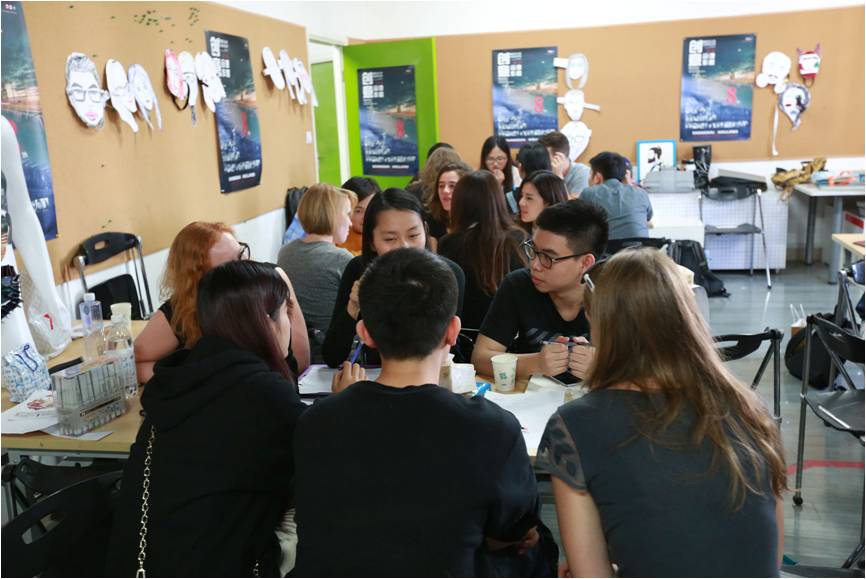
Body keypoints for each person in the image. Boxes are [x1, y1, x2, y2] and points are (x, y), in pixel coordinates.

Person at [294, 248, 551, 577]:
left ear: (365, 332)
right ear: (453, 331)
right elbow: (516, 530)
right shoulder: (493, 428)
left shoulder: (316, 421)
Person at [536, 248, 786, 577]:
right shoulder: (751, 409)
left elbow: (590, 574)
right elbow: (770, 558)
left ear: (602, 328)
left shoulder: (573, 426)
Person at [107, 261, 308, 577]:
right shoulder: (264, 393)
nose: (290, 323)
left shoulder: (179, 377)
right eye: (286, 312)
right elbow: (318, 463)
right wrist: (346, 405)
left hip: (141, 565)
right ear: (265, 322)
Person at [134, 221, 310, 383]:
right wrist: (192, 379)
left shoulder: (274, 282)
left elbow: (301, 362)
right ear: (205, 284)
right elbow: (134, 362)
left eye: (241, 253)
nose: (246, 264)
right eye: (233, 267)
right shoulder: (186, 308)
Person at [322, 188, 465, 368]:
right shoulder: (358, 270)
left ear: (425, 230)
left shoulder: (448, 274)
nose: (404, 247)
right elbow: (332, 356)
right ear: (371, 242)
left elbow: (452, 350)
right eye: (390, 239)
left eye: (413, 235)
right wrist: (352, 308)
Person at [472, 199, 608, 381]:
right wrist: (536, 363)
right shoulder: (519, 285)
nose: (534, 265)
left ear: (585, 263)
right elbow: (480, 358)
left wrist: (602, 369)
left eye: (548, 257)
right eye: (533, 250)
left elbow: (643, 370)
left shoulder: (615, 295)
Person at [438, 170, 527, 353]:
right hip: (509, 342)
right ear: (497, 200)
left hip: (460, 341)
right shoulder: (518, 238)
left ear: (460, 203)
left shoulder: (450, 243)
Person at [277, 183, 356, 360]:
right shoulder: (341, 259)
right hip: (336, 353)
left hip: (297, 349)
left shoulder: (285, 251)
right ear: (332, 215)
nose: (350, 222)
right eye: (347, 214)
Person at [579, 151, 653, 240]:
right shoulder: (641, 193)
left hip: (607, 248)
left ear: (597, 177)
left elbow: (580, 224)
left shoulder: (588, 193)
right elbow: (647, 217)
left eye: (591, 173)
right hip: (642, 247)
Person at [426, 161, 472, 244]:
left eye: (452, 186)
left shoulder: (476, 222)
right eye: (441, 186)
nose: (445, 191)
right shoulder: (432, 220)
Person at [539, 131, 590, 196]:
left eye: (545, 156)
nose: (542, 160)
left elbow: (573, 202)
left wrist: (558, 177)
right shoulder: (545, 172)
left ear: (559, 157)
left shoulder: (582, 172)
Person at [338, 176, 380, 256]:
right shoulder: (334, 241)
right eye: (358, 211)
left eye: (371, 209)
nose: (366, 217)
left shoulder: (386, 239)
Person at [480, 135, 521, 204]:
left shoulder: (515, 173)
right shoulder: (478, 177)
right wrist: (496, 184)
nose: (495, 164)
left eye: (500, 159)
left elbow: (516, 204)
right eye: (490, 159)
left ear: (508, 158)